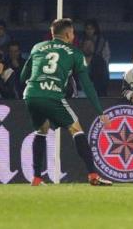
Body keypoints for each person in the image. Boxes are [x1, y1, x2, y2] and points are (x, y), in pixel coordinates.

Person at [21, 18, 112, 186]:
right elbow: (87, 85)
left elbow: (22, 76)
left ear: (52, 33)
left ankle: (36, 178)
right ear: (69, 34)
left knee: (42, 129)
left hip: (31, 94)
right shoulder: (75, 53)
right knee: (76, 128)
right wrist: (100, 112)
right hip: (52, 95)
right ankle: (92, 175)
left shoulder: (37, 47)